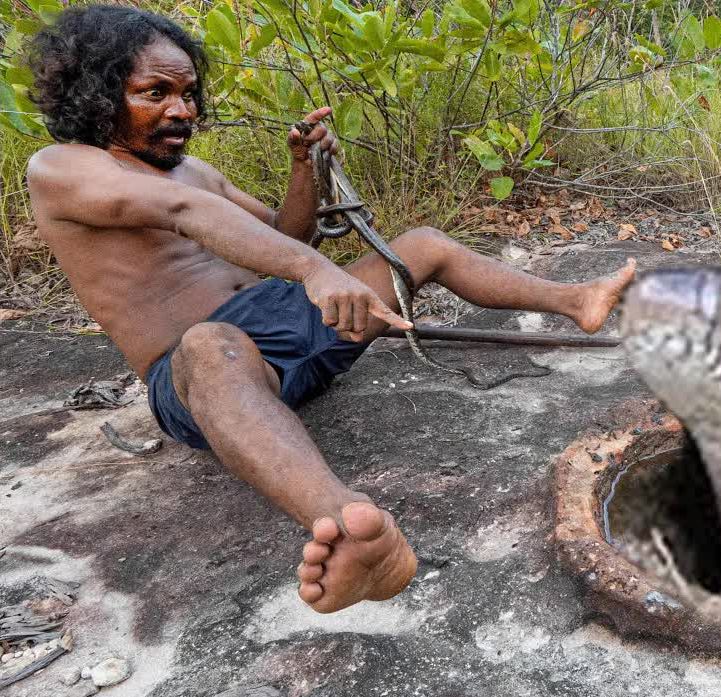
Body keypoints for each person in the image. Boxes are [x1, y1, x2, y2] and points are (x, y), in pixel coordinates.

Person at [24, 5, 635, 614]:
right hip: (209, 378)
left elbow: (291, 235)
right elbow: (194, 219)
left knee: (420, 245)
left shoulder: (195, 171)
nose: (181, 110)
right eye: (154, 93)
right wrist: (315, 272)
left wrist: (304, 170)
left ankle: (575, 301)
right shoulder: (63, 169)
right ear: (96, 94)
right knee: (211, 344)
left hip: (298, 329)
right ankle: (352, 531)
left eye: (187, 93)